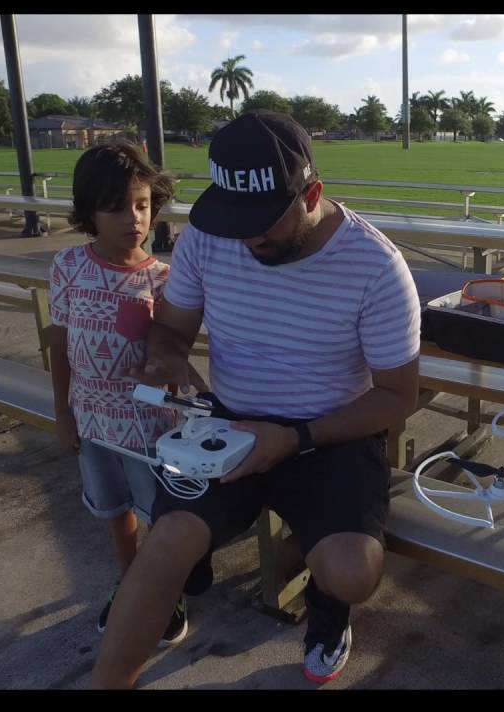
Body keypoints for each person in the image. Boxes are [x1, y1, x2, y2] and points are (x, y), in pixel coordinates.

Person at [92, 111, 422, 688]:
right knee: (166, 544)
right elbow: (169, 330)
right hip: (229, 421)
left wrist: (295, 439)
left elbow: (396, 397)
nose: (246, 237)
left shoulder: (375, 267)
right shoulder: (208, 238)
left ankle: (327, 612)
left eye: (264, 220)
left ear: (312, 193)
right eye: (233, 218)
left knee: (352, 573)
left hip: (329, 432)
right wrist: (166, 358)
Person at [49, 141, 207, 648]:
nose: (133, 219)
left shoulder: (163, 278)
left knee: (161, 516)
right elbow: (58, 343)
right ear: (87, 211)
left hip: (148, 429)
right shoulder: (67, 267)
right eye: (116, 206)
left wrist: (166, 368)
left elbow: (174, 354)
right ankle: (131, 580)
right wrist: (63, 412)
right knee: (116, 511)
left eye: (141, 205)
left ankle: (165, 591)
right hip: (92, 421)